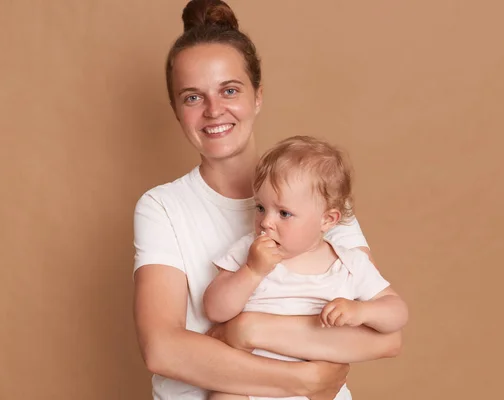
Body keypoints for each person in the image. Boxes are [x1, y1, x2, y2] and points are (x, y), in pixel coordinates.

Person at [133, 1, 404, 399]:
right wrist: (304, 378)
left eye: (229, 90)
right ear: (176, 110)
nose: (213, 111)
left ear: (258, 96)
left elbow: (383, 339)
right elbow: (162, 350)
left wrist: (248, 331)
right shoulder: (162, 207)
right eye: (192, 97)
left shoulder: (317, 194)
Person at [203, 136, 408, 400]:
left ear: (327, 219)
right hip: (250, 385)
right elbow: (215, 309)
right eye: (261, 208)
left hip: (317, 389)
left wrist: (363, 310)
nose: (266, 222)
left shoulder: (349, 264)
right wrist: (252, 272)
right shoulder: (249, 252)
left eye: (284, 213)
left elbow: (397, 313)